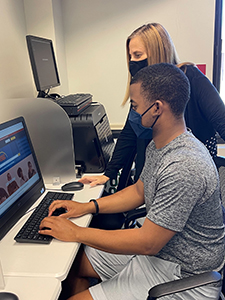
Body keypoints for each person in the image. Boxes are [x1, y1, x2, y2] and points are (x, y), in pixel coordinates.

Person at [39, 64, 224, 300]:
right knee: (72, 269)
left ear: (156, 108)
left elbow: (148, 243)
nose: (133, 113)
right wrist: (88, 207)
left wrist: (76, 232)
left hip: (182, 276)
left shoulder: (184, 165)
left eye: (135, 106)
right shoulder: (161, 144)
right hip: (161, 254)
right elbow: (139, 191)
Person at [79, 23, 225, 189]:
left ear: (157, 52)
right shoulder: (144, 90)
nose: (132, 62)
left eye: (138, 55)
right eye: (130, 57)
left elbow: (222, 121)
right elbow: (130, 132)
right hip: (151, 179)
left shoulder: (191, 78)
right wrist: (108, 174)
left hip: (187, 177)